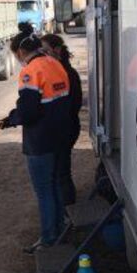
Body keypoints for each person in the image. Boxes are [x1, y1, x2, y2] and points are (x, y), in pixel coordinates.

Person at [0, 23, 72, 253]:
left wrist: (12, 118)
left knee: (44, 191)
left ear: (20, 52)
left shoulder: (30, 71)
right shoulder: (55, 64)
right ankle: (60, 230)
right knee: (55, 187)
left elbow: (29, 111)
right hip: (60, 136)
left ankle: (49, 239)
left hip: (40, 142)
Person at [40, 33, 83, 205]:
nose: (42, 55)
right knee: (59, 170)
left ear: (56, 49)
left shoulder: (66, 73)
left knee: (61, 172)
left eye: (45, 50)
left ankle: (67, 210)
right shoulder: (57, 71)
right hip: (63, 128)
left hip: (65, 128)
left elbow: (74, 105)